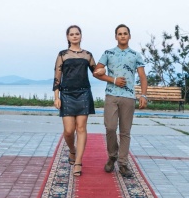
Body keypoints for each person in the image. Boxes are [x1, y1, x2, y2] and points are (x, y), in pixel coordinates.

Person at [93, 24, 148, 178]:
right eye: (120, 33)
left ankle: (123, 163)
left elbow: (142, 76)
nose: (122, 36)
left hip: (129, 97)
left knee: (125, 132)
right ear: (115, 36)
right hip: (111, 95)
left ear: (129, 36)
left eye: (125, 33)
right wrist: (113, 80)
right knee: (110, 128)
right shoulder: (108, 53)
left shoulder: (135, 55)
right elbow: (96, 73)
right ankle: (112, 156)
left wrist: (143, 95)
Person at [53, 25, 99, 177]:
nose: (74, 36)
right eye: (71, 34)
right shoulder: (62, 55)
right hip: (66, 94)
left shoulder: (87, 55)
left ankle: (78, 162)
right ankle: (72, 150)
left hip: (83, 93)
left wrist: (104, 71)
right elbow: (57, 77)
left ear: (81, 36)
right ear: (67, 37)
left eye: (77, 34)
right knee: (68, 131)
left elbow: (96, 72)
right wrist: (56, 97)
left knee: (81, 128)